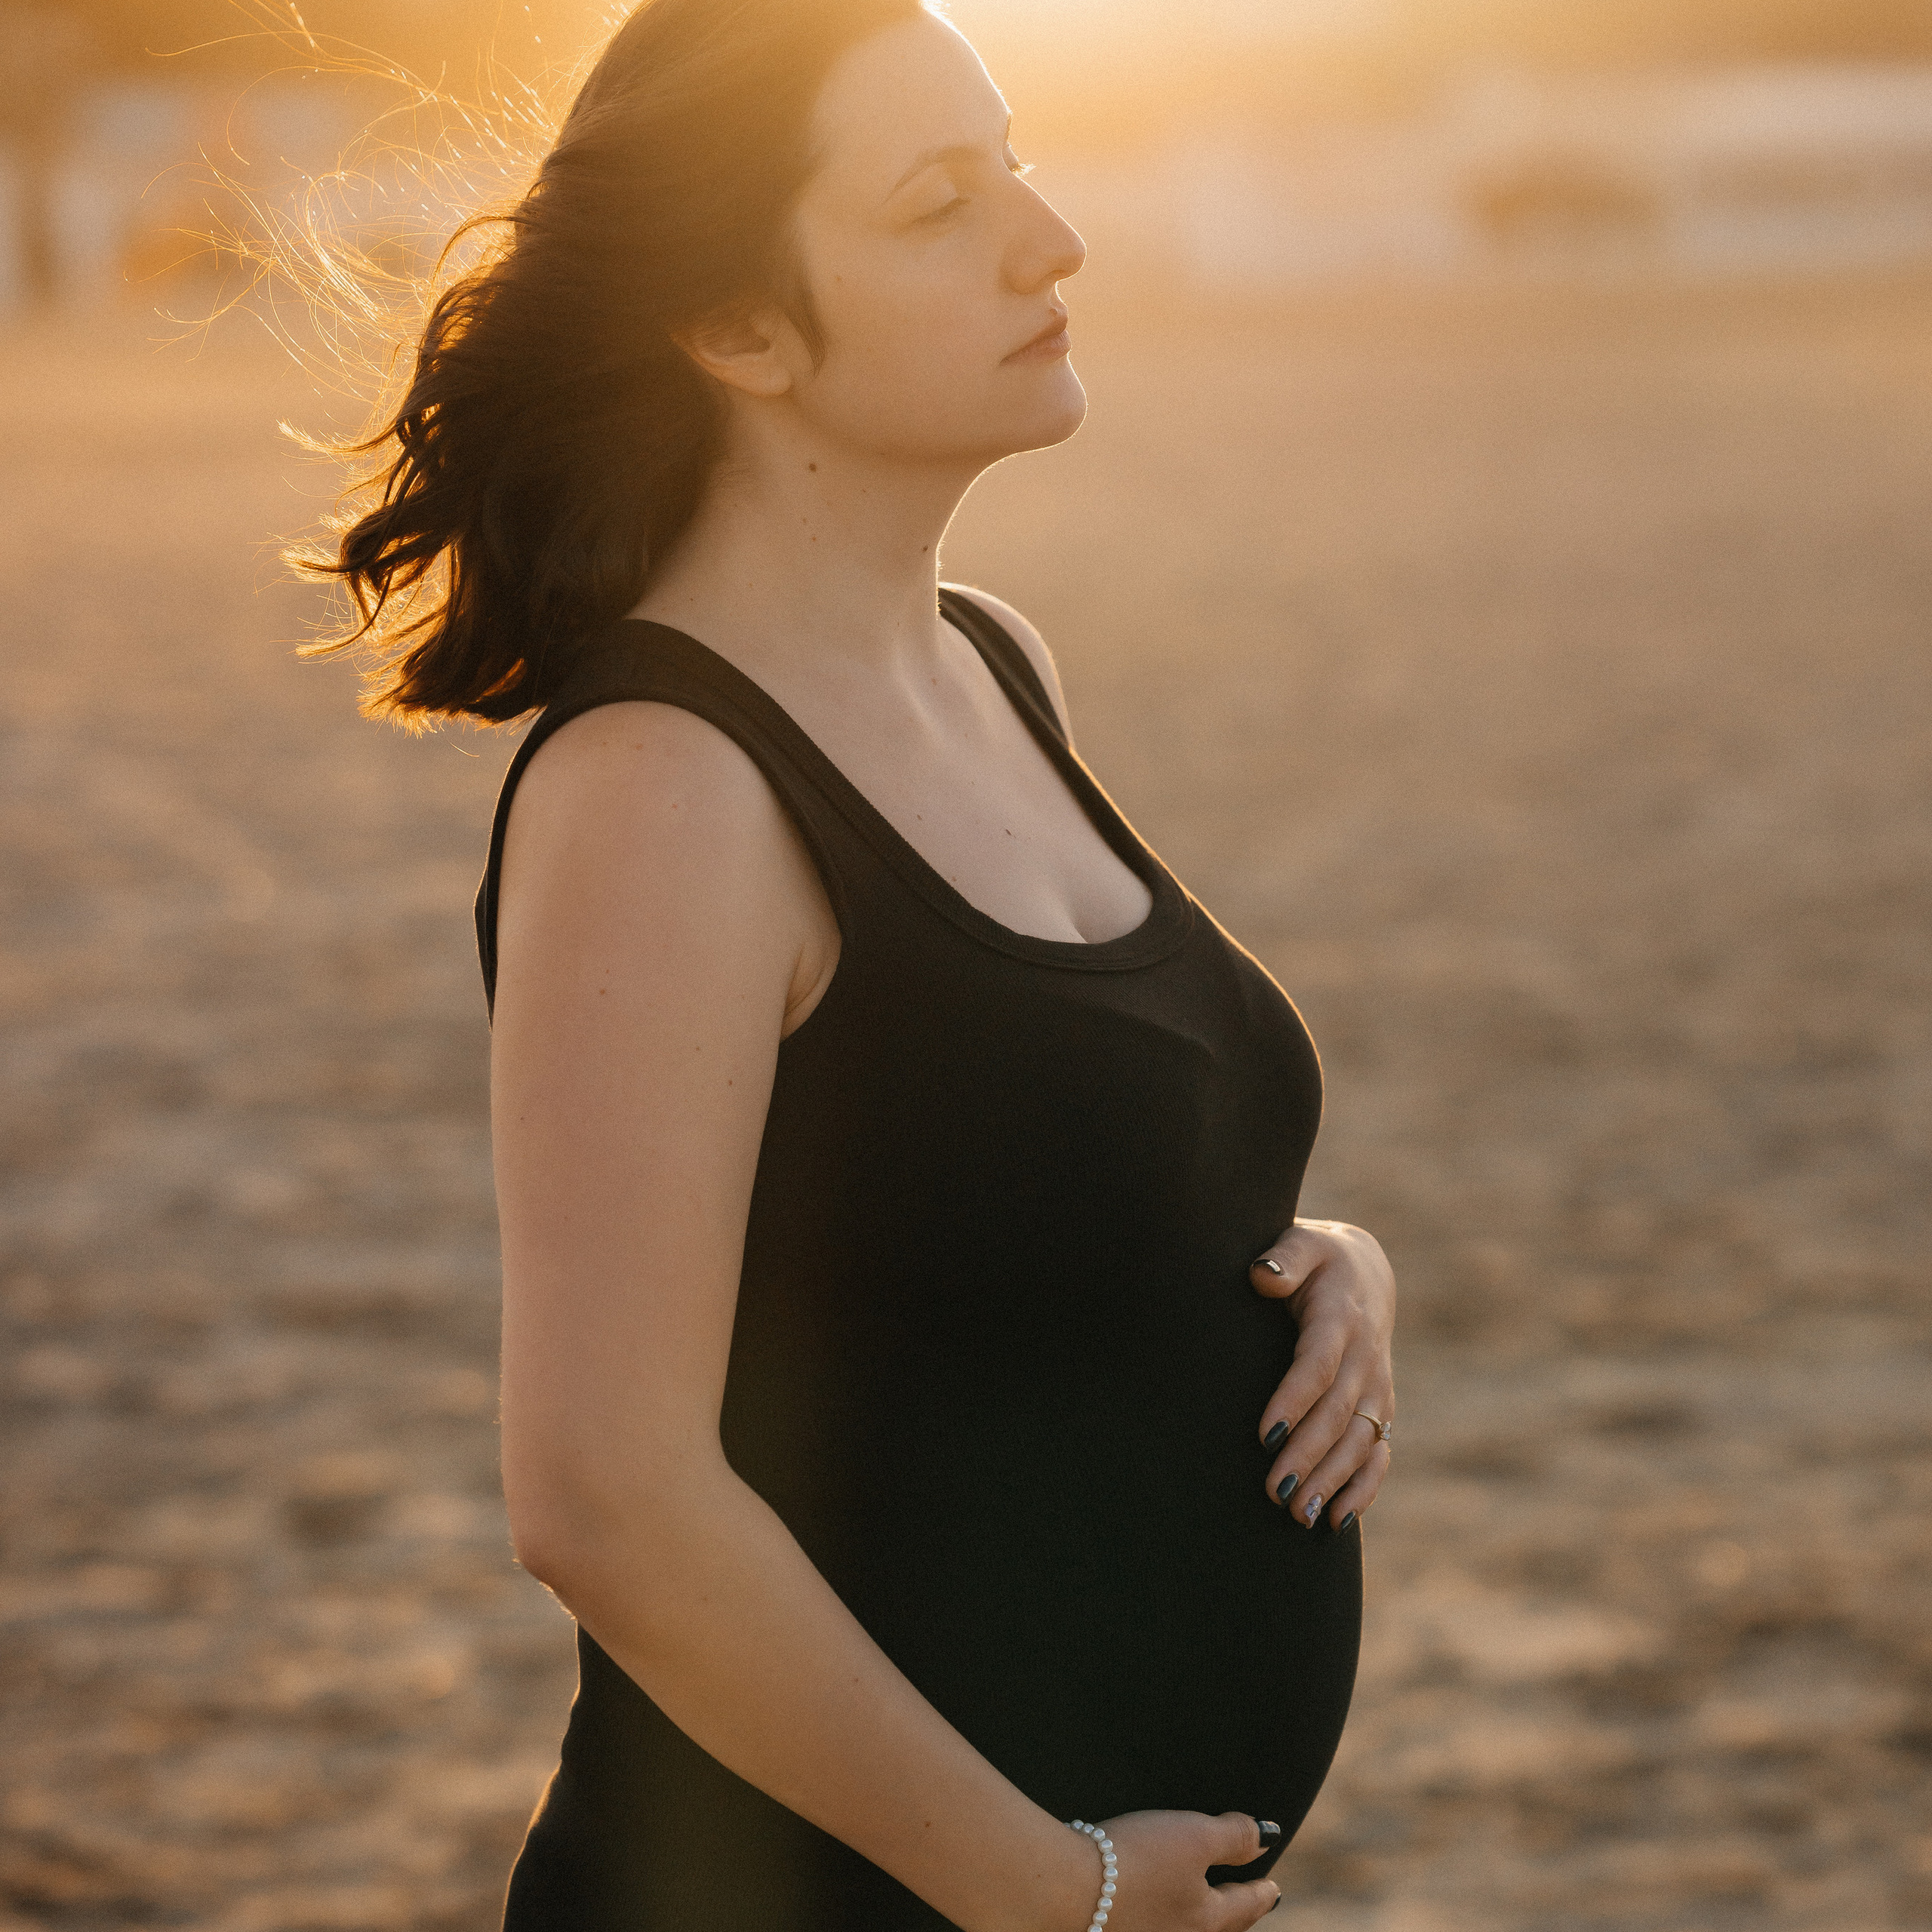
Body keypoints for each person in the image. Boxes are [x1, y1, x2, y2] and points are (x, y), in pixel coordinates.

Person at [305, 0, 1398, 1925]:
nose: (1047, 240)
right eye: (936, 205)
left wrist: (1321, 1271)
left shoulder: (992, 662)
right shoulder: (667, 790)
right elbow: (603, 1493)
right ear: (738, 328)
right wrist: (1043, 1891)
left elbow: (1011, 1183)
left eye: (1022, 165)